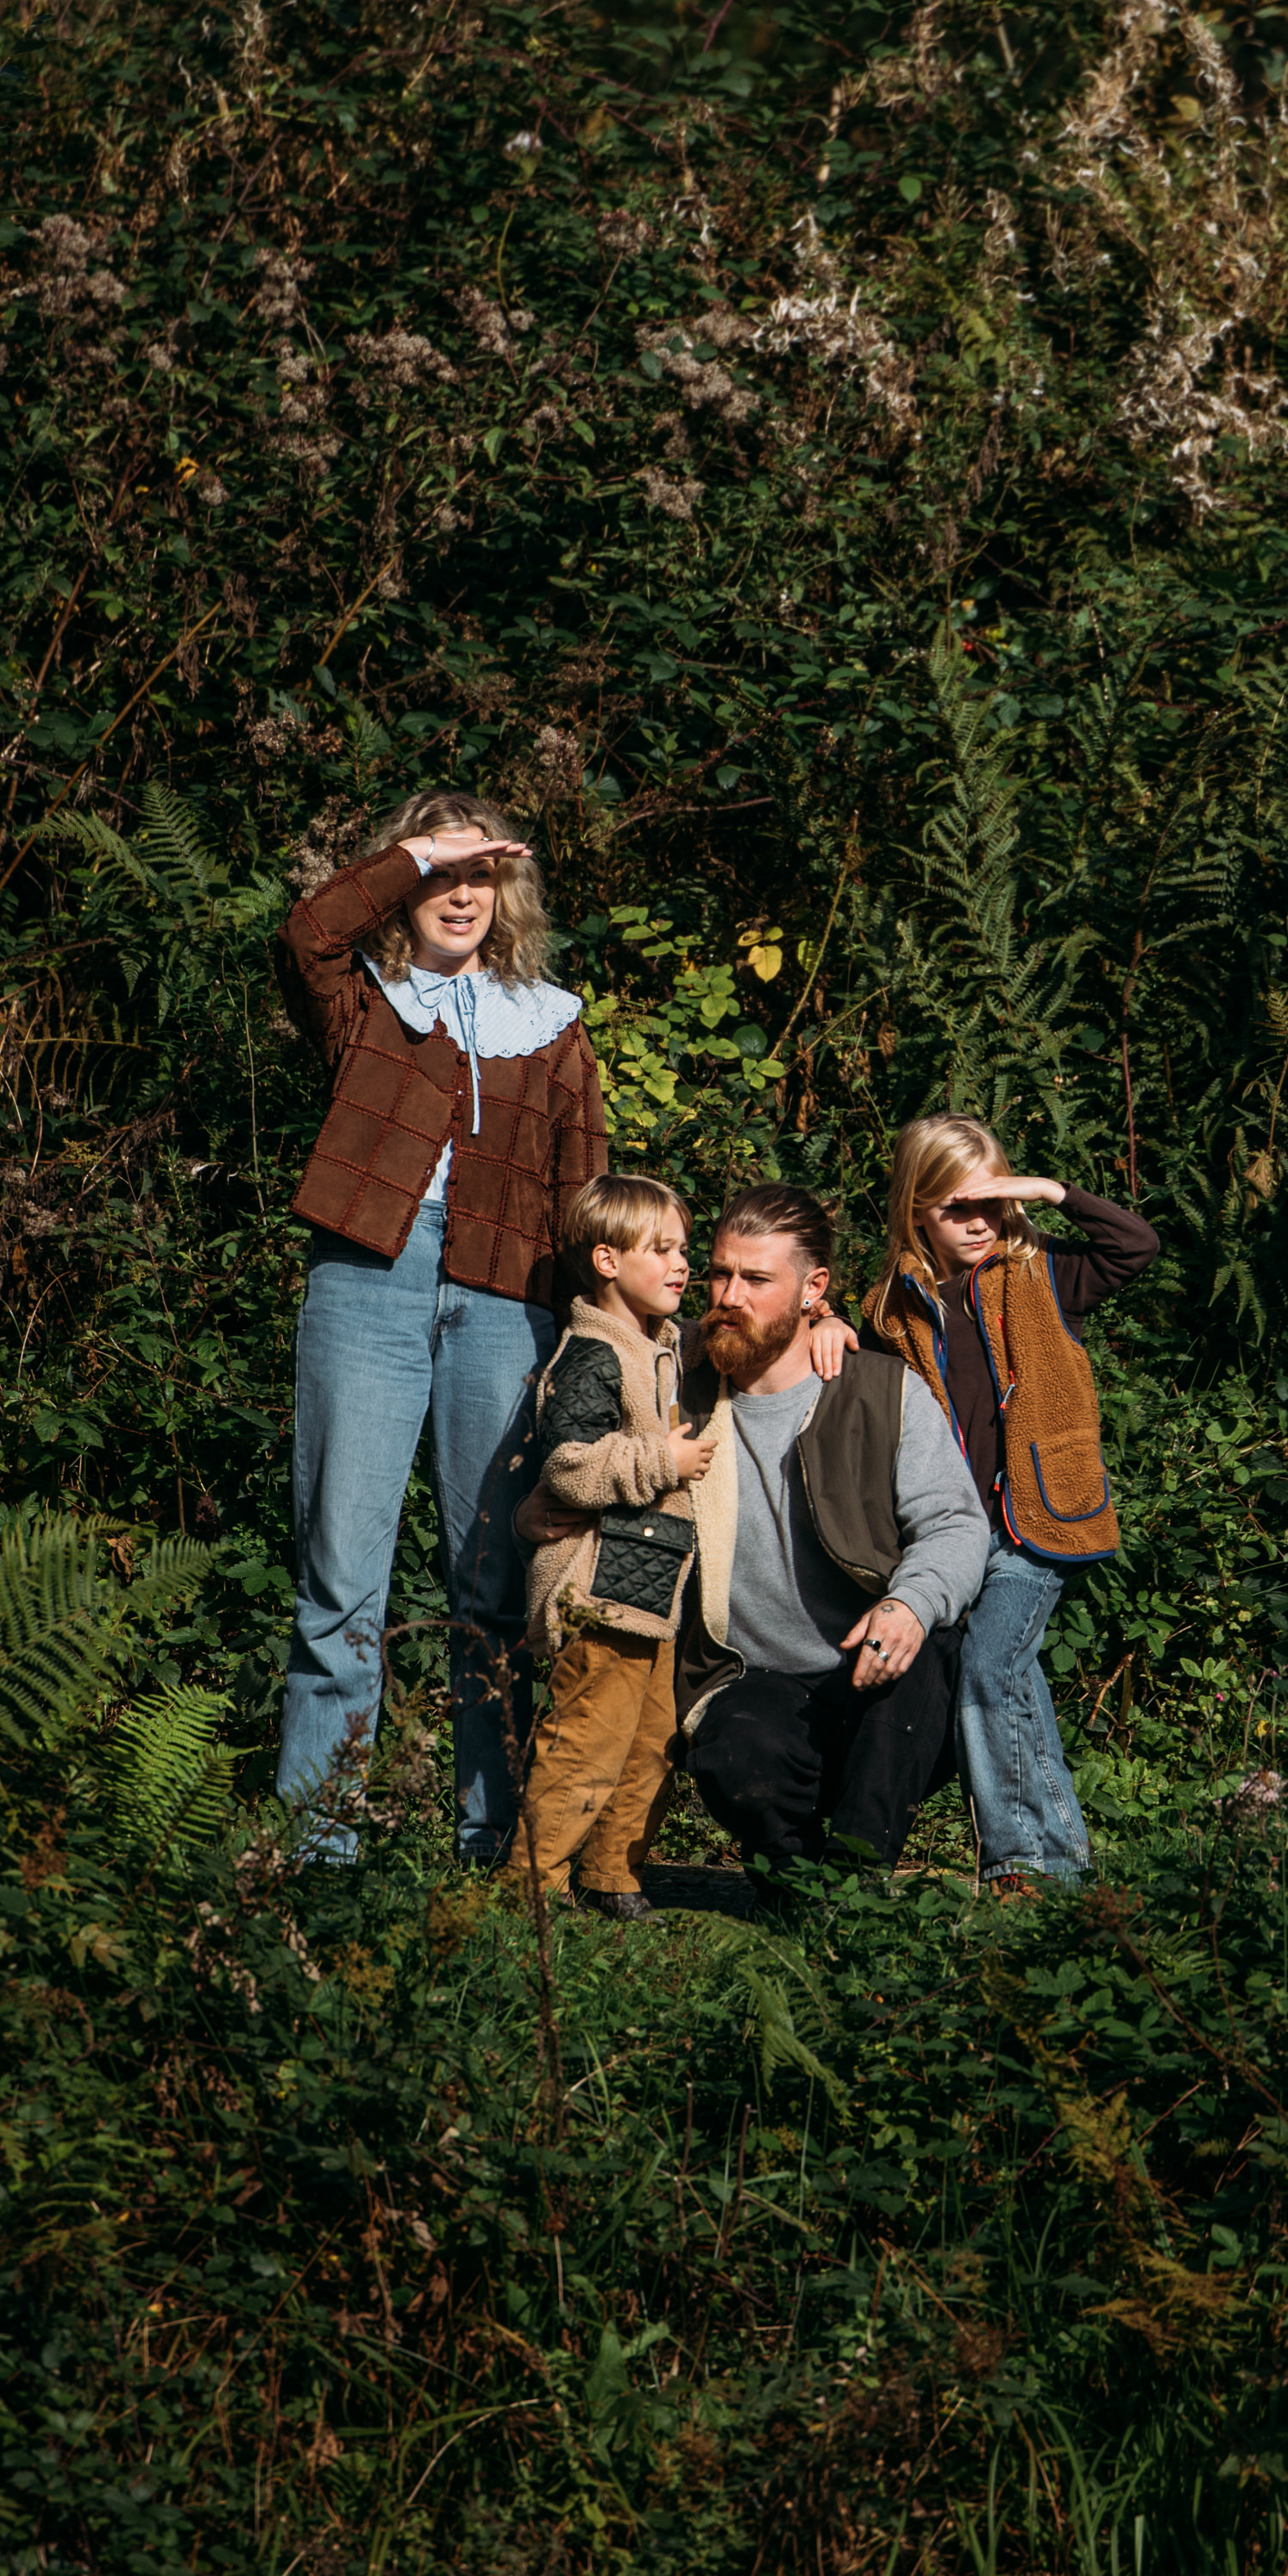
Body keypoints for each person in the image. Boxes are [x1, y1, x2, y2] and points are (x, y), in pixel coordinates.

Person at [275, 790, 605, 1862]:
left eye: (480, 874)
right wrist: (417, 847)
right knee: (341, 1579)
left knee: (493, 1587)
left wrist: (590, 1334)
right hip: (368, 1284)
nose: (460, 894)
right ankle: (321, 1851)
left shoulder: (552, 1024)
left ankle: (491, 1844)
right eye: (440, 875)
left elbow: (584, 1192)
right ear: (408, 881)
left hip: (507, 1298)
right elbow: (306, 931)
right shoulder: (364, 1002)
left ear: (506, 894)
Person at [858, 1118, 1158, 1888]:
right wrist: (824, 1326)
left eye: (992, 1202)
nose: (980, 1222)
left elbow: (1136, 1247)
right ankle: (1043, 1863)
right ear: (916, 1208)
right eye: (959, 1206)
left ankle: (1037, 1864)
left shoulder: (1044, 1273)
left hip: (1037, 1520)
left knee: (993, 1663)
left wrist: (1049, 1192)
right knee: (986, 1675)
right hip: (951, 1532)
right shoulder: (891, 1306)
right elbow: (861, 1386)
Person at [671, 1182, 990, 1879]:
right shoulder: (676, 1387)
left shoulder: (881, 1391)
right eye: (720, 1272)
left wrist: (909, 1604)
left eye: (756, 1279)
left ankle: (853, 1893)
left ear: (813, 1288)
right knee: (733, 1756)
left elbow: (956, 1525)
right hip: (753, 1678)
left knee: (929, 1653)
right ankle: (791, 1885)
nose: (728, 1295)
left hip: (876, 1673)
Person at [509, 1172, 719, 1924]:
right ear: (606, 1259)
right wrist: (663, 1462)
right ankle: (532, 1886)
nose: (681, 1264)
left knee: (653, 1740)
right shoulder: (592, 1354)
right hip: (595, 1588)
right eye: (660, 1249)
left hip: (655, 1589)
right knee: (587, 1743)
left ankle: (611, 1874)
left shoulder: (662, 1345)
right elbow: (568, 1466)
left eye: (684, 1249)